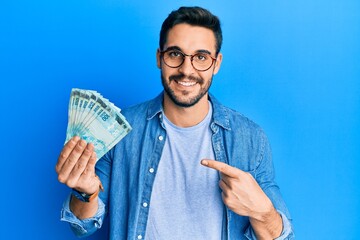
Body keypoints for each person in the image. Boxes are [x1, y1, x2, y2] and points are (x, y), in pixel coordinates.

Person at [56, 6, 294, 240]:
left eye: (201, 57)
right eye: (175, 54)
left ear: (216, 63)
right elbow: (82, 226)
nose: (186, 69)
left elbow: (281, 237)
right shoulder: (121, 132)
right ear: (160, 58)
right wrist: (84, 193)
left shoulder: (250, 138)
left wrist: (261, 212)